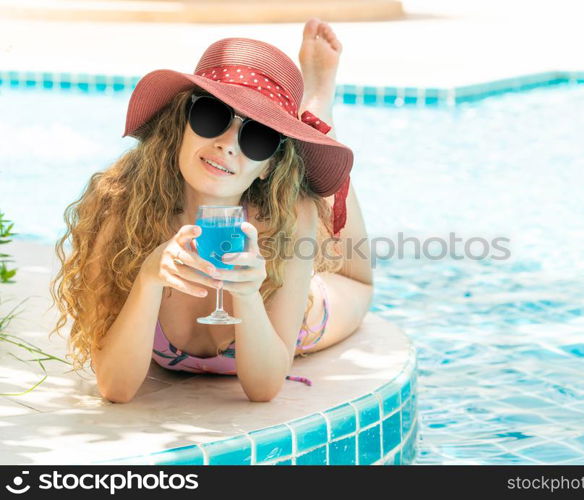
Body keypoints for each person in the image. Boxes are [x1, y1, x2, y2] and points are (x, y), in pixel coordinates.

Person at [50, 19, 373, 403]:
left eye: (259, 136)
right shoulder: (121, 204)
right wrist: (148, 279)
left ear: (268, 165)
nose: (227, 145)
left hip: (298, 314)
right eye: (212, 116)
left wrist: (250, 294)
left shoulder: (289, 216)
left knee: (357, 282)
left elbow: (264, 389)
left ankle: (319, 111)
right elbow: (116, 389)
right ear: (180, 124)